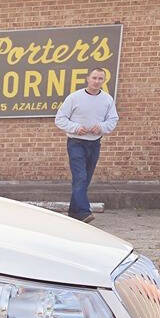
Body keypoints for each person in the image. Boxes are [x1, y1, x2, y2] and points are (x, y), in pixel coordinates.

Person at [54, 67, 118, 222]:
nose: (97, 81)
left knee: (85, 179)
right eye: (94, 78)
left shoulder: (107, 100)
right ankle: (84, 212)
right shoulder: (74, 98)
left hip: (94, 143)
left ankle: (74, 213)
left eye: (100, 79)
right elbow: (60, 119)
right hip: (76, 143)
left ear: (103, 81)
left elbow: (113, 120)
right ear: (87, 79)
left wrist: (102, 127)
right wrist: (76, 128)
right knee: (80, 177)